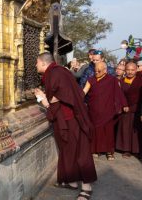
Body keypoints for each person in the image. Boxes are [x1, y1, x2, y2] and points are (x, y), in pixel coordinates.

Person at [34, 52, 97, 200]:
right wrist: (47, 97)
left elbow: (60, 96)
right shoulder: (57, 72)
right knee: (68, 151)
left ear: (43, 63)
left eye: (37, 62)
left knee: (80, 151)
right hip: (66, 118)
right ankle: (73, 182)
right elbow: (61, 93)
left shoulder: (55, 73)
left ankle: (87, 188)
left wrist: (44, 100)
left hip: (71, 119)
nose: (35, 65)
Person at [83, 62, 127, 160]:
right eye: (95, 70)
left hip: (108, 110)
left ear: (105, 70)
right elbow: (84, 91)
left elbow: (119, 93)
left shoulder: (112, 80)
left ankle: (109, 152)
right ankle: (95, 150)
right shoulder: (91, 80)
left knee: (108, 131)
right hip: (94, 110)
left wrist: (124, 105)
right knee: (95, 131)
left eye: (99, 71)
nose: (97, 72)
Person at [116, 62, 142, 158]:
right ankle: (126, 149)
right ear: (125, 70)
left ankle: (136, 150)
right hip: (125, 108)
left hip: (137, 108)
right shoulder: (121, 81)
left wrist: (133, 107)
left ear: (136, 70)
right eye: (128, 70)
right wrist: (124, 105)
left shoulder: (140, 80)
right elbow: (119, 95)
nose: (130, 72)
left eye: (132, 70)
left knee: (136, 131)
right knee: (125, 130)